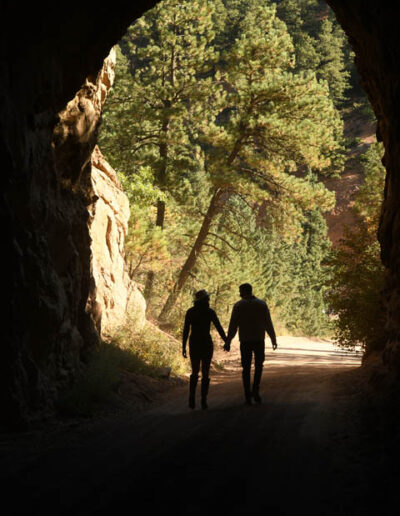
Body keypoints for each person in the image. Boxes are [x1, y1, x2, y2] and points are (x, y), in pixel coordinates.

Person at [224, 283, 277, 405]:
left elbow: (233, 325)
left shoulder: (238, 305)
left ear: (243, 292)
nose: (239, 293)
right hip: (259, 340)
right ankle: (256, 390)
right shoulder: (261, 304)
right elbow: (268, 323)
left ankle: (247, 394)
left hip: (245, 341)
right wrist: (273, 339)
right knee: (259, 366)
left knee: (246, 368)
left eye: (240, 291)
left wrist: (228, 341)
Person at [182, 290, 227, 409]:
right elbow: (219, 327)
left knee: (195, 371)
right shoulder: (210, 312)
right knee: (205, 372)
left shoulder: (190, 312)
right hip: (206, 343)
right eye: (207, 298)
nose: (208, 300)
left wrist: (184, 346)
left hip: (194, 343)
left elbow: (186, 330)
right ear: (203, 300)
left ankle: (192, 398)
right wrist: (226, 341)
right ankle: (203, 400)